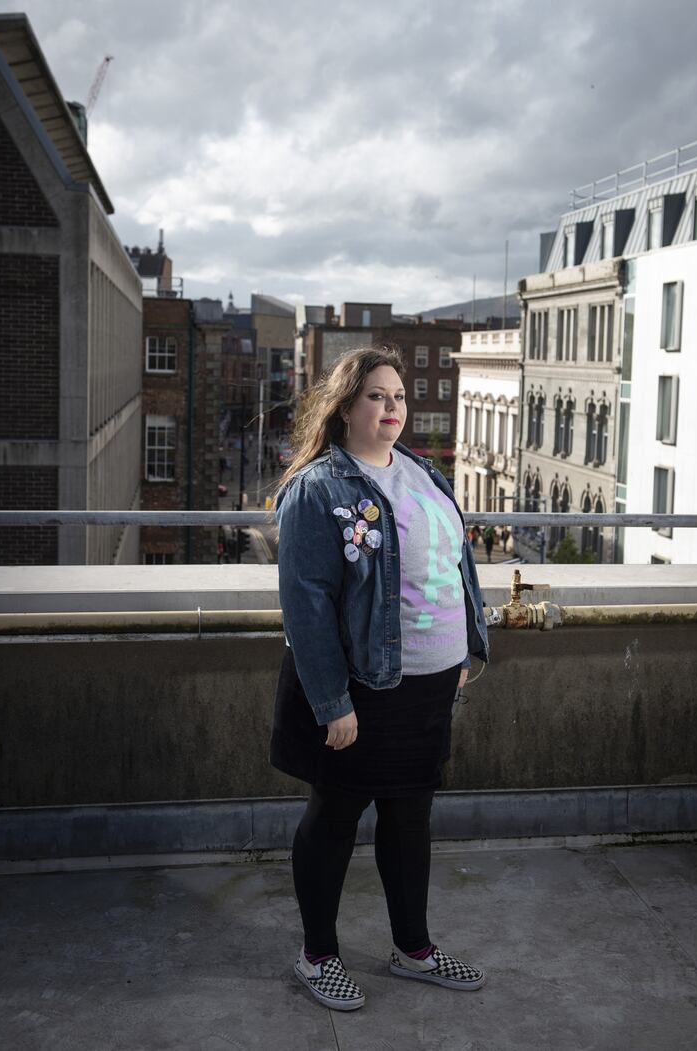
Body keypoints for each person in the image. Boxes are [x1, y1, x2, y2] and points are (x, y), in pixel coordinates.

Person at [271, 345, 490, 1012]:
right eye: (377, 395)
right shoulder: (318, 490)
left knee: (409, 817)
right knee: (335, 816)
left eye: (398, 396)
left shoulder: (424, 474)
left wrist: (460, 656)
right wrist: (332, 701)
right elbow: (306, 605)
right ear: (344, 407)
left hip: (429, 685)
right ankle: (318, 953)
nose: (393, 406)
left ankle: (413, 948)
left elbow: (453, 568)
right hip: (361, 689)